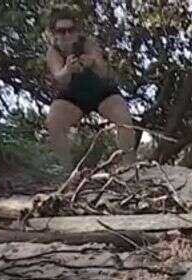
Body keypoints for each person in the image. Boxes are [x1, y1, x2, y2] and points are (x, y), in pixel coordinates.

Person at [44, 6, 136, 168]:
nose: (66, 35)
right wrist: (68, 69)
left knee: (124, 118)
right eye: (61, 31)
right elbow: (59, 78)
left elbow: (105, 72)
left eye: (70, 30)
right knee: (54, 122)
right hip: (72, 97)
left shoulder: (88, 43)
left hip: (102, 92)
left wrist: (92, 63)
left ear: (77, 32)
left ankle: (129, 167)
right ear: (54, 34)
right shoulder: (53, 52)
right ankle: (66, 173)